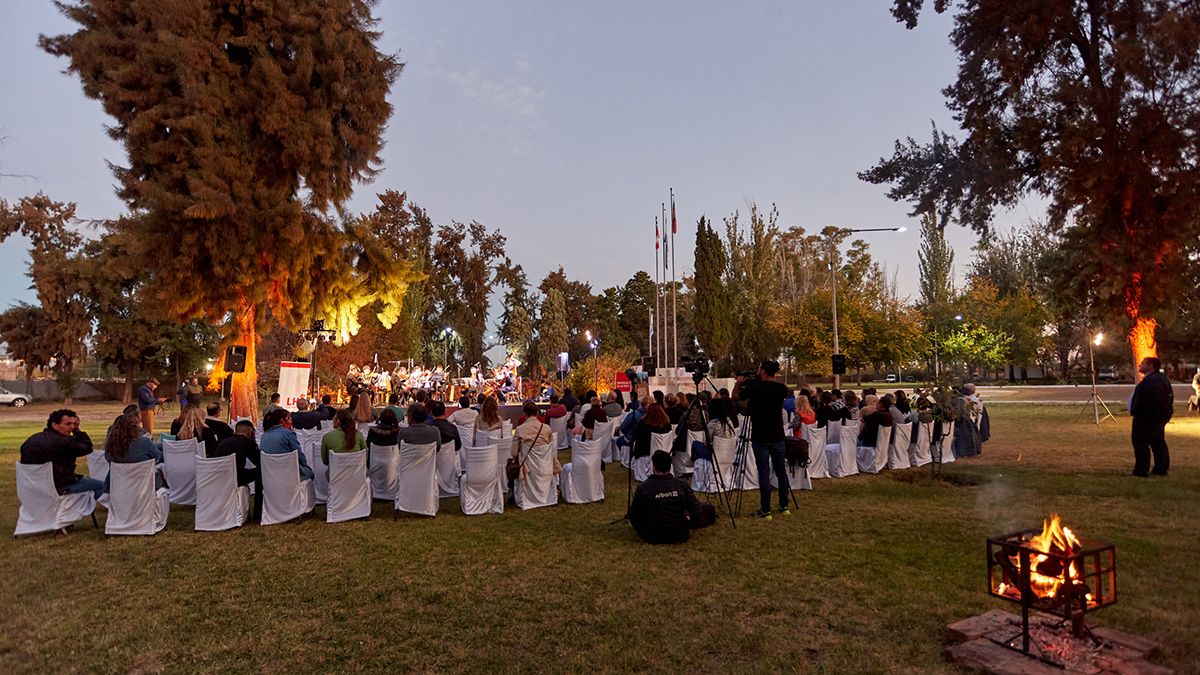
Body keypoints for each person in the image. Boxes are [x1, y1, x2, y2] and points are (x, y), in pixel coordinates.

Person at [733, 360, 792, 520]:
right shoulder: (781, 388)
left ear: (764, 371)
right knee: (781, 471)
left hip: (760, 435)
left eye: (759, 369)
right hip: (778, 434)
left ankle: (766, 509)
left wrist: (738, 384)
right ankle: (784, 505)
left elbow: (736, 398)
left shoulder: (755, 388)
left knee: (764, 472)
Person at [626, 451, 710, 544]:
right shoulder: (681, 485)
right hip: (678, 534)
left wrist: (643, 530)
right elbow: (696, 510)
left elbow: (633, 515)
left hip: (652, 535)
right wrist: (687, 519)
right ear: (670, 467)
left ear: (653, 467)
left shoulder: (644, 487)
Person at [20, 409, 102, 499]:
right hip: (60, 488)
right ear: (54, 425)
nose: (71, 427)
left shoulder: (33, 439)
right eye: (68, 424)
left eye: (73, 424)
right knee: (104, 487)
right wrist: (77, 430)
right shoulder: (63, 442)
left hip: (33, 488)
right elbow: (87, 448)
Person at [1129, 357, 1174, 477]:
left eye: (1143, 364)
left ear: (1151, 366)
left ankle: (1141, 470)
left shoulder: (1153, 382)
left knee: (1141, 443)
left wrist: (1140, 412)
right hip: (1156, 417)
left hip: (1147, 417)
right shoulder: (1159, 379)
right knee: (1157, 441)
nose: (1140, 365)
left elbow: (1152, 400)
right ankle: (1161, 468)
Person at [210, 420, 262, 520]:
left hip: (219, 476)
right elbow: (259, 462)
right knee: (260, 472)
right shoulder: (247, 442)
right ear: (250, 432)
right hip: (237, 477)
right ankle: (258, 511)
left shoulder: (223, 442)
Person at [103, 411, 164, 494]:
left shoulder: (110, 447)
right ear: (134, 427)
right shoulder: (144, 443)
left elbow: (108, 460)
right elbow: (159, 457)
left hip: (120, 487)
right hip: (146, 486)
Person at [259, 409, 314, 481]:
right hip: (288, 475)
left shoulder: (264, 435)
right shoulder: (288, 434)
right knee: (310, 473)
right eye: (289, 419)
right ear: (282, 420)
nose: (291, 422)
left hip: (269, 476)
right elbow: (299, 455)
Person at [511, 400, 557, 477]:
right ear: (537, 412)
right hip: (545, 467)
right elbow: (551, 449)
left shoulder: (520, 429)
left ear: (525, 413)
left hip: (527, 471)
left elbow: (514, 453)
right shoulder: (547, 429)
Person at [322, 409, 367, 473]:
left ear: (338, 421)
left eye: (334, 418)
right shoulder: (359, 435)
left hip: (335, 475)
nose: (332, 420)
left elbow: (325, 461)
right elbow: (365, 455)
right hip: (356, 475)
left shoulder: (327, 437)